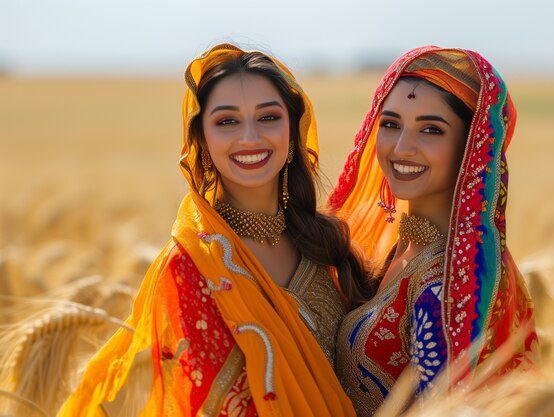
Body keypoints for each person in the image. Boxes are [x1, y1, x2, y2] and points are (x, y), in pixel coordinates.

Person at [57, 43, 372, 417]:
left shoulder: (324, 245)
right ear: (202, 144)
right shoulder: (193, 267)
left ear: (292, 133)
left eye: (269, 117)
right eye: (227, 122)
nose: (250, 137)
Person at [328, 46, 539, 417]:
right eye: (391, 124)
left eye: (430, 130)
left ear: (471, 147)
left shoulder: (447, 282)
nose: (402, 148)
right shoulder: (405, 248)